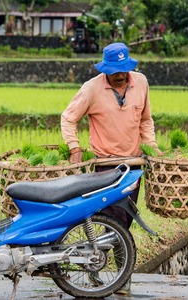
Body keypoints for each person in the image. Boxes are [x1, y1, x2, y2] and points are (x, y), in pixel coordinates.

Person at [61, 42, 161, 295]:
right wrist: (74, 147)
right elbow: (68, 118)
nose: (120, 75)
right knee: (114, 219)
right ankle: (117, 276)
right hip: (105, 167)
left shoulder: (141, 83)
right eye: (115, 71)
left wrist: (151, 146)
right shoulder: (91, 89)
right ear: (105, 69)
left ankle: (101, 268)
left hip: (134, 166)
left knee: (122, 221)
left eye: (123, 70)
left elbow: (146, 120)